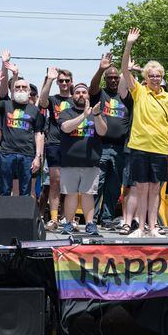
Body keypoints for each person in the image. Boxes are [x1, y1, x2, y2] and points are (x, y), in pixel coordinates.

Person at [120, 28, 168, 238]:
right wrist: (129, 44)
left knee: (155, 190)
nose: (155, 78)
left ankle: (153, 228)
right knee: (141, 189)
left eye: (158, 76)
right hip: (139, 147)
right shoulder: (139, 91)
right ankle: (141, 228)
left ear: (162, 78)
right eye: (151, 75)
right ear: (145, 77)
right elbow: (125, 71)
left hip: (161, 150)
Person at [88, 53, 133, 229]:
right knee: (97, 183)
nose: (114, 81)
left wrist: (127, 70)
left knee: (114, 186)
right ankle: (92, 217)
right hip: (101, 145)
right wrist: (101, 69)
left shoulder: (126, 97)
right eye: (110, 78)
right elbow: (92, 88)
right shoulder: (100, 94)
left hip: (121, 147)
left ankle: (106, 218)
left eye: (116, 78)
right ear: (106, 79)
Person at [58, 83, 108, 235]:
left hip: (90, 162)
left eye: (84, 92)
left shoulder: (97, 112)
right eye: (78, 92)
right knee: (71, 194)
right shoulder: (66, 112)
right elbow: (65, 127)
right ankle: (68, 223)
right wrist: (84, 116)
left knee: (88, 194)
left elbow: (103, 131)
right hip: (69, 162)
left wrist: (96, 115)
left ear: (88, 95)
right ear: (73, 96)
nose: (81, 95)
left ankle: (90, 224)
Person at [0, 70, 45, 196]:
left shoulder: (35, 111)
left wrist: (37, 157)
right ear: (13, 90)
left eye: (24, 87)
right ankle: (3, 216)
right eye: (17, 87)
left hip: (27, 155)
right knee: (4, 190)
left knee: (25, 191)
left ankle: (23, 216)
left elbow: (38, 135)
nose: (21, 89)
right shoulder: (6, 105)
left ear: (29, 92)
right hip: (7, 153)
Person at [39, 66, 74, 230]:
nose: (64, 83)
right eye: (61, 81)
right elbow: (42, 101)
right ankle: (54, 218)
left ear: (71, 82)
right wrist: (50, 79)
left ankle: (69, 218)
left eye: (67, 80)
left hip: (73, 144)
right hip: (54, 143)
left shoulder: (76, 99)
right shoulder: (53, 99)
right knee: (55, 182)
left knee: (71, 184)